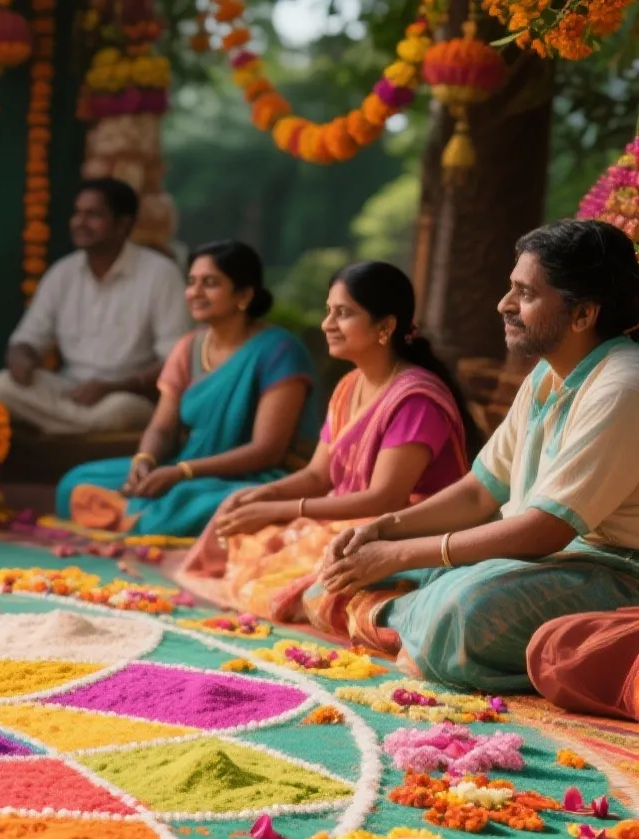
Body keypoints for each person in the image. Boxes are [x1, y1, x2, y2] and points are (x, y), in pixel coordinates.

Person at [312, 219, 639, 692]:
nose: (503, 305)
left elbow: (546, 528)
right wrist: (382, 528)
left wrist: (398, 553)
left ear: (583, 314)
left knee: (460, 612)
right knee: (340, 574)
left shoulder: (621, 386)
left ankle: (402, 616)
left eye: (524, 293)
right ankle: (400, 615)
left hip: (615, 574)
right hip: (549, 561)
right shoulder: (548, 375)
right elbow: (478, 491)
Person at [178, 261, 474, 620]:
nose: (327, 324)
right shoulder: (349, 385)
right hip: (350, 515)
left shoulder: (415, 399)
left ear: (385, 326)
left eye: (343, 313)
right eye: (328, 311)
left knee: (294, 556)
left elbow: (385, 499)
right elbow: (319, 476)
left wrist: (280, 509)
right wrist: (264, 496)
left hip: (401, 528)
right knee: (248, 524)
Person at [52, 240, 319, 537]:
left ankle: (136, 515)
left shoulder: (279, 350)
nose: (195, 293)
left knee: (203, 503)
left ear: (244, 295)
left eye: (210, 283)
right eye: (191, 282)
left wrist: (183, 472)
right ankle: (141, 513)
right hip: (181, 468)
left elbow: (267, 451)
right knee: (74, 482)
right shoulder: (189, 346)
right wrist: (145, 462)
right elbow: (163, 427)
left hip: (251, 477)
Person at [0, 178, 193, 437]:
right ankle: (77, 430)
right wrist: (22, 358)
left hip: (126, 393)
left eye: (93, 215)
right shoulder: (63, 272)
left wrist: (111, 387)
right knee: (2, 384)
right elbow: (29, 337)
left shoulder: (160, 274)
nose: (79, 222)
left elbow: (175, 360)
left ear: (123, 224)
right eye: (77, 213)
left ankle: (55, 431)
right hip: (70, 391)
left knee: (119, 411)